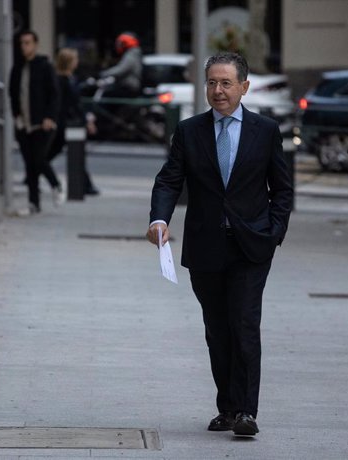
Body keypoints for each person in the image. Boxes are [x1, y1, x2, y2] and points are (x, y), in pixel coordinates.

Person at [146, 52, 293, 436]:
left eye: (226, 83)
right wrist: (160, 219)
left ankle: (246, 412)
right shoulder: (190, 130)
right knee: (217, 330)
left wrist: (274, 231)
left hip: (251, 246)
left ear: (244, 87)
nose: (218, 90)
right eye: (212, 82)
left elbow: (282, 188)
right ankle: (226, 407)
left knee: (244, 324)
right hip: (207, 245)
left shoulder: (265, 131)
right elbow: (168, 180)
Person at [8, 30, 62, 213]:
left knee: (39, 159)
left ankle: (56, 185)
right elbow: (13, 94)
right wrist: (16, 116)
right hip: (24, 125)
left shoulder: (44, 66)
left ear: (35, 44)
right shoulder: (17, 67)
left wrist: (50, 117)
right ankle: (34, 202)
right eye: (22, 43)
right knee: (29, 164)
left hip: (42, 124)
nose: (24, 46)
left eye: (28, 43)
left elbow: (54, 94)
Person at [48, 48, 99, 196]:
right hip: (66, 123)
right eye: (75, 60)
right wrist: (86, 120)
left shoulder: (70, 79)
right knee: (75, 155)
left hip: (68, 122)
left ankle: (33, 172)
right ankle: (86, 185)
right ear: (69, 62)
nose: (77, 62)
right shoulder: (63, 81)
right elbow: (73, 105)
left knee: (54, 152)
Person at [99, 32, 143, 97]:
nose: (118, 45)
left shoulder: (131, 54)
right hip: (128, 87)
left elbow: (121, 69)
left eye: (121, 43)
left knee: (108, 96)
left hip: (129, 88)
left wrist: (104, 73)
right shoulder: (132, 53)